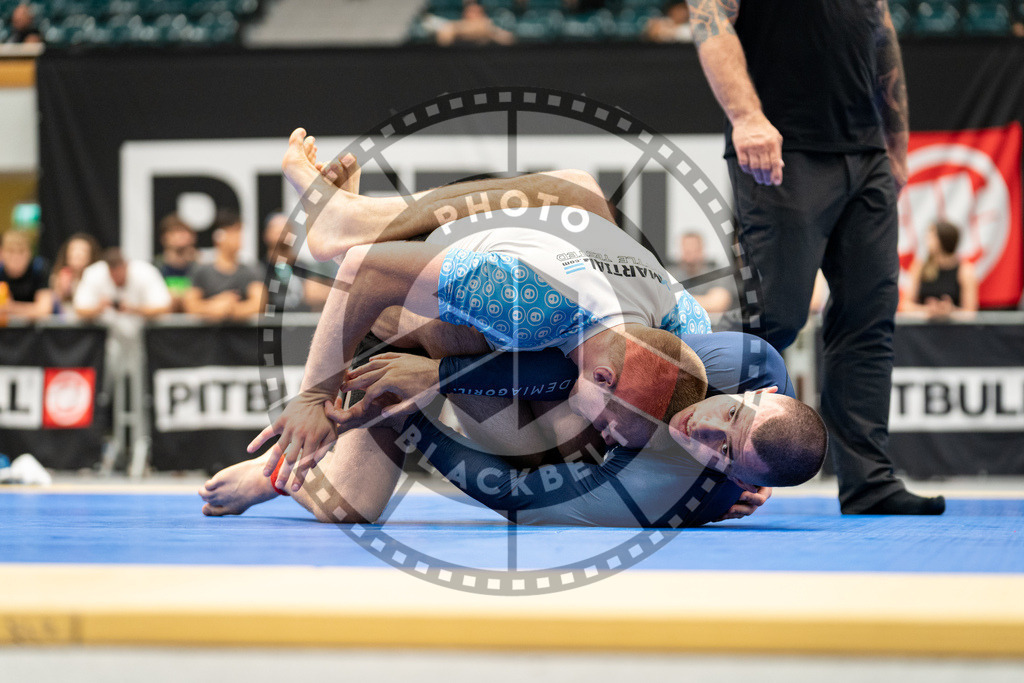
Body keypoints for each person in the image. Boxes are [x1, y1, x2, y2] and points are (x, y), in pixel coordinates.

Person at [245, 129, 826, 496]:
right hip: (423, 291)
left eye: (721, 453)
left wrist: (720, 485)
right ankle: (351, 221)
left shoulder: (682, 334)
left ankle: (279, 468)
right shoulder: (523, 299)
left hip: (548, 284)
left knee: (349, 506)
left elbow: (589, 381)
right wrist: (313, 397)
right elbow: (364, 273)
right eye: (726, 424)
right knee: (570, 197)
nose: (702, 432)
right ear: (761, 396)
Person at [687, 0, 944, 515]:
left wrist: (895, 143)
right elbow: (708, 16)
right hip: (780, 149)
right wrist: (746, 116)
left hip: (866, 151)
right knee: (774, 317)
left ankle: (869, 483)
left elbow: (881, 32)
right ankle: (692, 468)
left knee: (869, 319)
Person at [182, 211, 266, 321]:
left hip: (242, 336)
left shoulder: (252, 270)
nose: (239, 237)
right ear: (219, 236)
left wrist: (231, 309)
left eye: (239, 232)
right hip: (210, 336)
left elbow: (259, 304)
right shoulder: (201, 270)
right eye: (233, 232)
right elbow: (190, 305)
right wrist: (213, 306)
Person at [902, 220, 978, 319]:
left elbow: (971, 312)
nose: (927, 241)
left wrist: (951, 311)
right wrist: (927, 310)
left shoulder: (965, 270)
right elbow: (905, 305)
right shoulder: (920, 267)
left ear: (943, 240)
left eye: (931, 237)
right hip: (923, 330)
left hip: (954, 330)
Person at [73, 247, 172, 320]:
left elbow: (164, 307)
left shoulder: (145, 271)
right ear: (108, 270)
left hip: (143, 334)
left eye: (120, 274)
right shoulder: (94, 273)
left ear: (126, 266)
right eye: (113, 275)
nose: (117, 279)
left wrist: (135, 309)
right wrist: (98, 308)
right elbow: (79, 309)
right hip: (104, 337)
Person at [261, 212, 332, 312]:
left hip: (301, 323)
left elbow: (317, 292)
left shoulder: (303, 267)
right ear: (266, 234)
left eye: (287, 228)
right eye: (276, 229)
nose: (282, 232)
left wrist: (316, 291)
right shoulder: (260, 268)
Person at [666, 231, 734, 314]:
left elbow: (719, 303)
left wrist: (676, 301)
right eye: (687, 250)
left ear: (701, 249)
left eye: (694, 249)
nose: (690, 255)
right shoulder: (668, 275)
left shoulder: (717, 275)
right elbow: (661, 301)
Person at [0, 229, 52, 321]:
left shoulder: (39, 268)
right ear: (2, 253)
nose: (15, 257)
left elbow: (44, 310)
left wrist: (10, 307)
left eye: (21, 252)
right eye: (10, 251)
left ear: (29, 253)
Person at [153, 213, 198, 313]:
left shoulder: (201, 268)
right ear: (164, 237)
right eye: (174, 231)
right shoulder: (155, 268)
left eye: (184, 231)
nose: (180, 236)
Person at [50, 233, 102, 316]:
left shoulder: (98, 277)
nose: (78, 254)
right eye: (73, 249)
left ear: (91, 254)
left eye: (83, 250)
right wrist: (60, 291)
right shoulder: (57, 276)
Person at [435, 2, 515, 47]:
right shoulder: (453, 26)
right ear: (465, 13)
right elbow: (443, 40)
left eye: (478, 12)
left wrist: (489, 32)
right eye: (471, 12)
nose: (474, 15)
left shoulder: (489, 27)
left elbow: (509, 40)